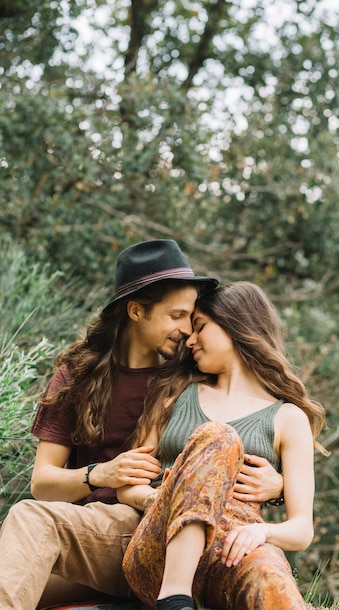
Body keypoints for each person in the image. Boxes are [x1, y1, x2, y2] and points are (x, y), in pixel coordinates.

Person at [0, 241, 284, 610]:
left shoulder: (192, 370)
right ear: (136, 311)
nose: (188, 331)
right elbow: (43, 483)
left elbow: (240, 432)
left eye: (192, 318)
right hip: (90, 541)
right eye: (176, 315)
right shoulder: (78, 375)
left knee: (30, 518)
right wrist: (100, 474)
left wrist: (277, 487)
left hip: (155, 532)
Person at [119, 281, 328, 610]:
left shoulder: (289, 418)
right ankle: (174, 599)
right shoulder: (173, 396)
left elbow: (302, 529)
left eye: (200, 327)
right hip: (159, 553)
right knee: (219, 435)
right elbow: (127, 486)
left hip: (233, 554)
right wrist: (165, 497)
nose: (189, 339)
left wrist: (264, 534)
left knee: (272, 579)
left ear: (235, 327)